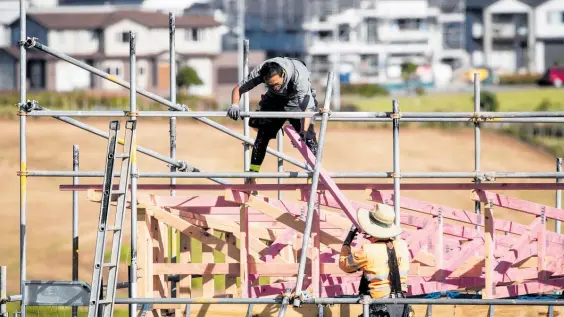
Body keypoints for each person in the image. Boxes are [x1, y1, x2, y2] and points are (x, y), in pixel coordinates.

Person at [226, 57, 320, 188]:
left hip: (298, 103)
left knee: (309, 139)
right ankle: (252, 174)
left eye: (277, 84)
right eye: (270, 85)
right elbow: (238, 89)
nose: (275, 87)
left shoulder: (299, 75)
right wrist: (234, 105)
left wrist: (303, 131)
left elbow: (307, 108)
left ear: (283, 74)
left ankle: (314, 175)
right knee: (262, 135)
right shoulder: (260, 72)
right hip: (274, 101)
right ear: (264, 80)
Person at [339, 204, 413, 317]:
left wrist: (348, 239)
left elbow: (344, 264)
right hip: (402, 306)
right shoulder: (402, 246)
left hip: (380, 307)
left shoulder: (367, 251)